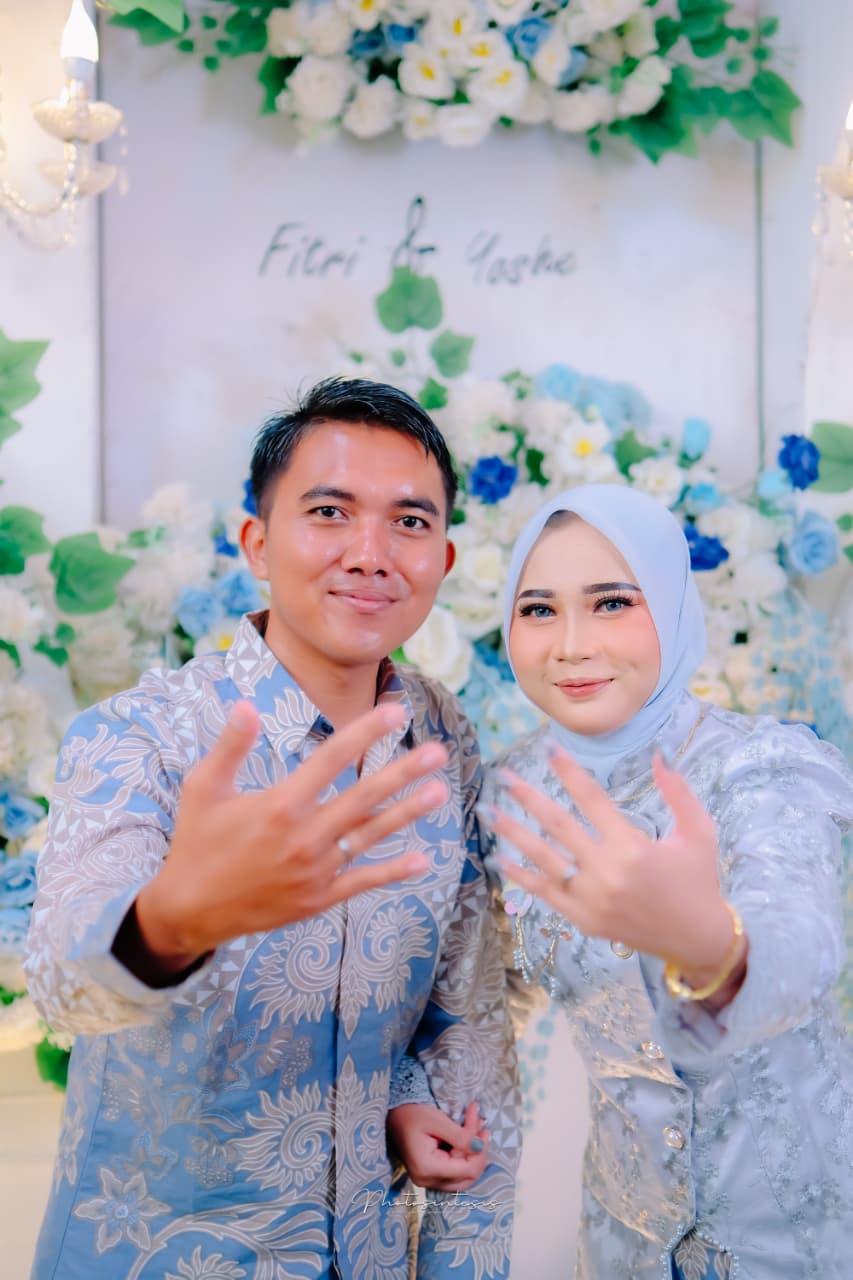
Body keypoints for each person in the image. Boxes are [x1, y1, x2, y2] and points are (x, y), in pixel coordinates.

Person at [24, 378, 520, 1280]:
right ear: (256, 543)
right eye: (329, 512)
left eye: (408, 522)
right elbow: (63, 987)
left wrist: (401, 1100)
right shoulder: (145, 734)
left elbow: (462, 1013)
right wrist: (172, 924)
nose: (370, 554)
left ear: (443, 559)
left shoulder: (440, 737)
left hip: (369, 1254)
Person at [392, 482, 853, 1279]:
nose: (571, 645)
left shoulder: (758, 768)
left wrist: (707, 945)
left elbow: (804, 950)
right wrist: (411, 1095)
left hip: (798, 1237)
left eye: (611, 603)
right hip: (623, 1237)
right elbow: (486, 993)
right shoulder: (512, 797)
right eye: (538, 610)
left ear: (670, 605)